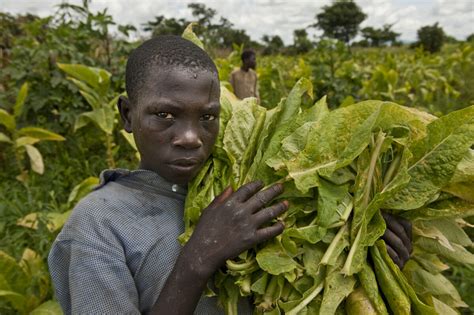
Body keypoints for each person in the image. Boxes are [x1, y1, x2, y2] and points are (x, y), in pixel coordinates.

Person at [48, 35, 412, 315]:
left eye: (207, 117)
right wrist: (198, 257)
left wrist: (371, 257)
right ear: (127, 115)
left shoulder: (236, 189)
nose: (190, 138)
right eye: (164, 115)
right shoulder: (96, 225)